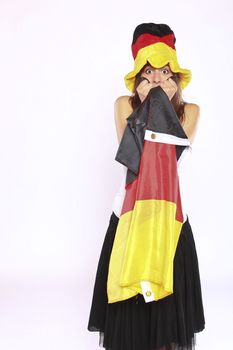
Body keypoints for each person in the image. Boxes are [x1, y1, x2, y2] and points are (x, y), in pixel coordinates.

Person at [87, 22, 205, 350]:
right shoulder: (124, 107)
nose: (155, 78)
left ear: (175, 76)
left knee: (167, 318)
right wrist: (149, 106)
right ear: (138, 74)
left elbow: (169, 155)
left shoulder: (191, 112)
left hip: (171, 220)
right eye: (148, 70)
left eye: (163, 70)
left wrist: (161, 105)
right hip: (130, 217)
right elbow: (136, 157)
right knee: (130, 312)